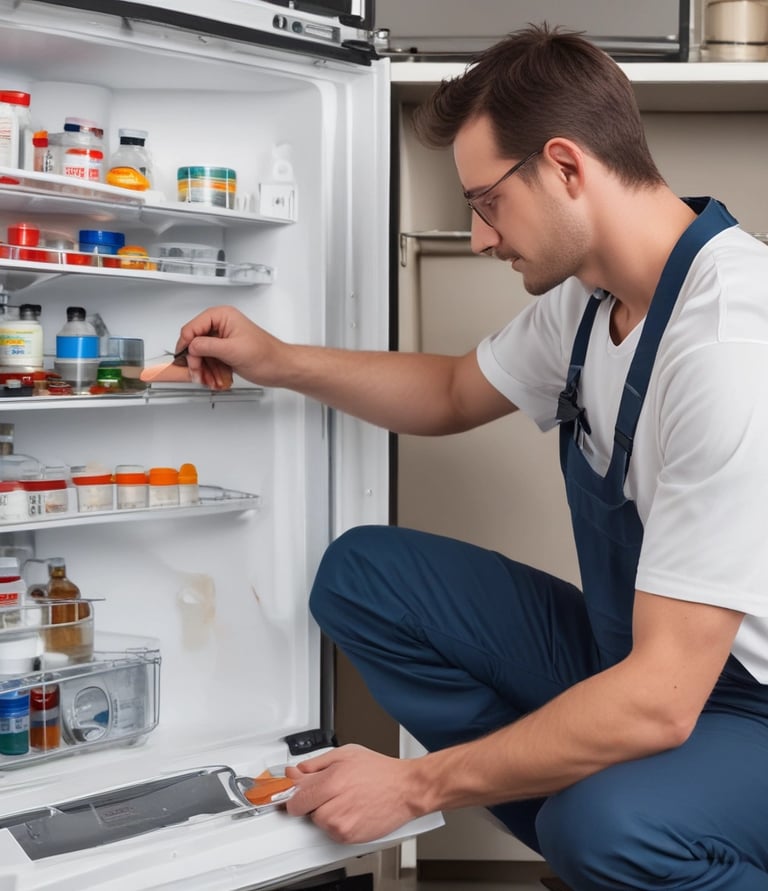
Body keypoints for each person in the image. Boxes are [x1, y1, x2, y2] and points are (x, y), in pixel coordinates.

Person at [176, 24, 768, 891]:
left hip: (738, 699)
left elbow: (662, 696)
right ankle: (607, 828)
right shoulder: (591, 296)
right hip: (639, 654)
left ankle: (625, 836)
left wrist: (413, 785)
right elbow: (454, 390)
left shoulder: (727, 348)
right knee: (362, 577)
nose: (481, 237)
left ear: (566, 166)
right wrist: (278, 359)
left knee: (601, 827)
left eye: (487, 200)